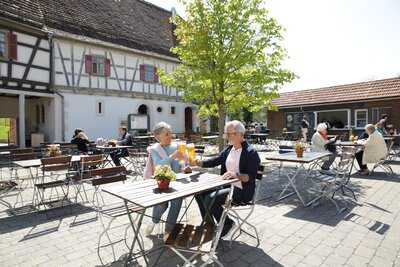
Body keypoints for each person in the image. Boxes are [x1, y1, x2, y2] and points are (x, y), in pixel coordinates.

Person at [194, 120, 260, 237]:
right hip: (228, 187)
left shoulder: (251, 153)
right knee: (199, 193)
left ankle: (228, 223)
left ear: (240, 134)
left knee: (211, 198)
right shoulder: (230, 149)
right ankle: (209, 225)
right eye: (226, 134)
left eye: (230, 134)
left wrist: (236, 175)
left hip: (242, 191)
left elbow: (249, 177)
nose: (227, 137)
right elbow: (215, 160)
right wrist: (198, 163)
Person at [144, 122, 185, 235]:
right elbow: (158, 166)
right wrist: (172, 157)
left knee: (177, 200)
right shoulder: (154, 149)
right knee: (163, 204)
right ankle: (153, 221)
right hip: (160, 183)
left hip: (176, 183)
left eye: (170, 133)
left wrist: (185, 167)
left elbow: (182, 163)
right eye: (167, 134)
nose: (170, 136)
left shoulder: (176, 146)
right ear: (158, 137)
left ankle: (168, 231)